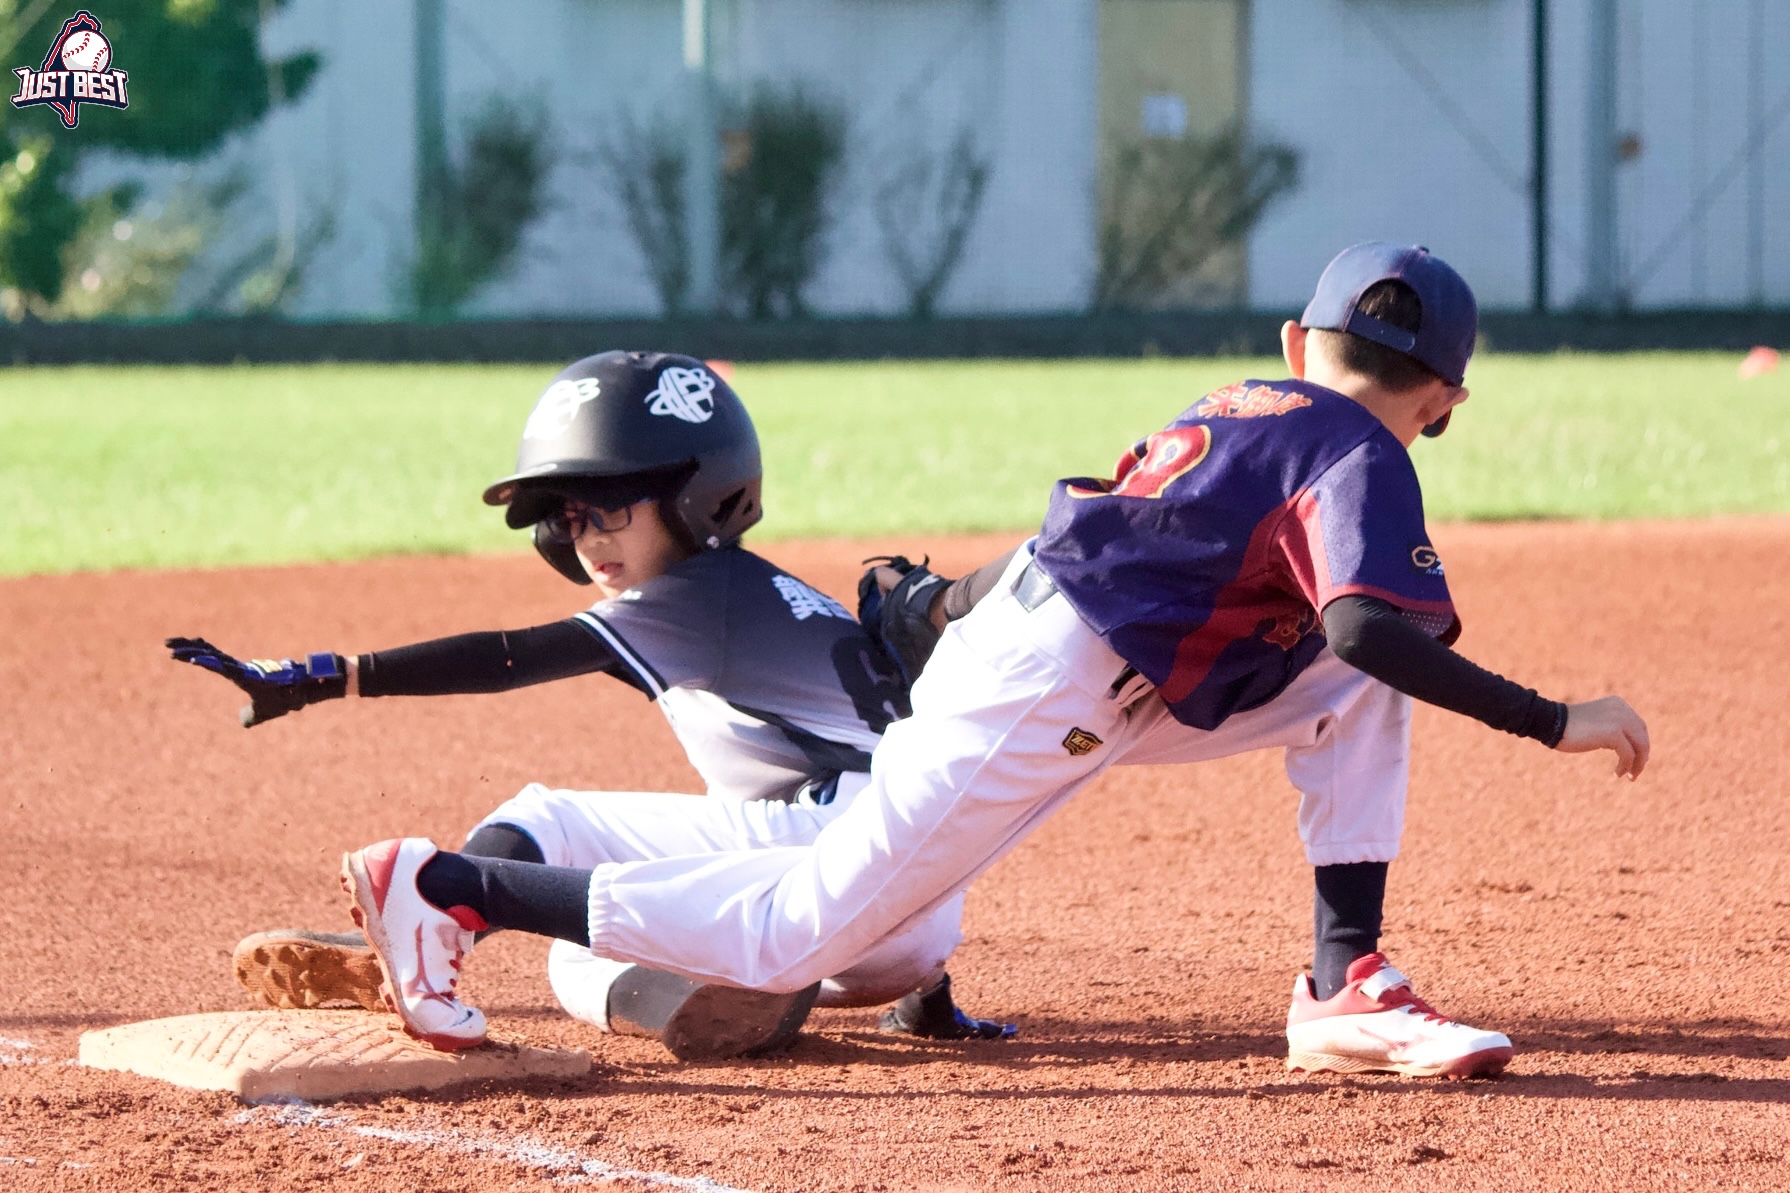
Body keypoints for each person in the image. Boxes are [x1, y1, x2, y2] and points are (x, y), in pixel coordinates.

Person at [336, 246, 1651, 1077]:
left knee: (1345, 683)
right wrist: (1555, 719)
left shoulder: (1241, 409)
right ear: (1442, 401)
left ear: (1296, 349)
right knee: (799, 935)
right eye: (1439, 414)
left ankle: (1341, 981)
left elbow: (1087, 544)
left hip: (1079, 660)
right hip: (1056, 684)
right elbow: (1367, 619)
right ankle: (453, 890)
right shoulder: (1362, 449)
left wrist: (943, 598)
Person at [169, 350, 1012, 1059]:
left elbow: (511, 656)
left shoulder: (695, 598)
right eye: (570, 518)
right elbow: (902, 799)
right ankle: (698, 981)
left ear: (695, 497)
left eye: (608, 507)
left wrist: (324, 673)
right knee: (585, 920)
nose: (588, 538)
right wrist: (924, 994)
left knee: (550, 827)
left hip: (824, 871)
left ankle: (430, 910)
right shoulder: (751, 600)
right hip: (902, 925)